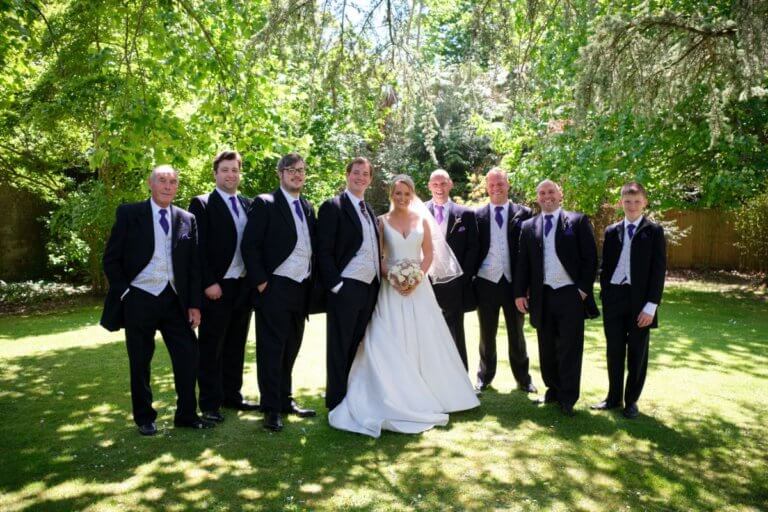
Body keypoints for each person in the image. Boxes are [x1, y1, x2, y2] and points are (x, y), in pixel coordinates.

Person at [328, 175, 479, 437]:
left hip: (419, 289)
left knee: (426, 338)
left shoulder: (422, 220)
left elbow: (429, 254)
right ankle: (396, 392)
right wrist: (395, 278)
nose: (402, 198)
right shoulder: (381, 222)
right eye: (397, 193)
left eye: (406, 193)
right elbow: (379, 257)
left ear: (413, 194)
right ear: (391, 194)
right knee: (391, 336)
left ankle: (435, 391)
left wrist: (417, 277)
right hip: (391, 289)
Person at [101, 165, 214, 435]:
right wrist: (125, 292)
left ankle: (187, 414)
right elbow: (111, 259)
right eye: (162, 180)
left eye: (172, 181)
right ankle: (144, 417)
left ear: (177, 187)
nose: (167, 186)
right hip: (139, 298)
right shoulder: (130, 214)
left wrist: (195, 304)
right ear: (150, 184)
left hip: (176, 300)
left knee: (188, 356)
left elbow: (194, 266)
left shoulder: (187, 218)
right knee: (140, 361)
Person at [241, 153, 317, 432]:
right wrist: (262, 283)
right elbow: (250, 246)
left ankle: (285, 400)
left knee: (291, 348)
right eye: (291, 170)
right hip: (274, 287)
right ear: (280, 174)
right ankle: (271, 409)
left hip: (301, 288)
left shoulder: (307, 206)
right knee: (272, 350)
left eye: (301, 170)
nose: (297, 174)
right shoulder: (265, 203)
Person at [514, 179, 599, 417]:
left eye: (551, 191)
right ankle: (552, 389)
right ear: (537, 197)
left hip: (570, 294)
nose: (547, 196)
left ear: (560, 195)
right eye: (542, 192)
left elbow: (590, 259)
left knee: (570, 347)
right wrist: (520, 292)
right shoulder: (528, 226)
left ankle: (568, 397)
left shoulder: (577, 221)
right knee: (546, 345)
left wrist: (582, 290)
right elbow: (523, 263)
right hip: (542, 295)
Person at [188, 150, 259, 423]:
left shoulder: (248, 204)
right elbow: (198, 249)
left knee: (236, 344)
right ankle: (209, 403)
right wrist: (208, 283)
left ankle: (232, 395)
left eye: (235, 169)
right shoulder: (202, 204)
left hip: (242, 287)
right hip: (217, 288)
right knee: (211, 347)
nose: (231, 174)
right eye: (225, 170)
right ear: (215, 174)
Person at [591, 182, 666, 419]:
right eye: (627, 201)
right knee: (614, 350)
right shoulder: (612, 231)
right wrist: (605, 292)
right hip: (614, 298)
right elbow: (606, 265)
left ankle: (631, 401)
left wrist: (651, 306)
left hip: (640, 301)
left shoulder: (653, 232)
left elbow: (658, 270)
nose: (632, 205)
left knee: (637, 351)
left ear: (644, 202)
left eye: (636, 201)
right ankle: (613, 397)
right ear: (620, 203)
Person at [317, 157, 381, 411]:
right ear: (347, 174)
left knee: (357, 346)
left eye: (365, 174)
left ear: (370, 179)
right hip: (346, 287)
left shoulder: (369, 210)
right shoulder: (333, 206)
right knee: (339, 347)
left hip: (369, 288)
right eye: (356, 173)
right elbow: (323, 251)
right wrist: (337, 286)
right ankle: (336, 401)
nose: (361, 177)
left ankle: (352, 397)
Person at [474, 167, 536, 393]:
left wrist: (527, 285)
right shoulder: (477, 215)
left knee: (517, 333)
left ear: (508, 184)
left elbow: (530, 253)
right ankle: (484, 376)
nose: (496, 188)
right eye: (492, 184)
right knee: (486, 333)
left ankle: (523, 378)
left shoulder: (525, 213)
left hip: (514, 284)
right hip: (486, 282)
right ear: (487, 187)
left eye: (500, 183)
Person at [425, 169, 479, 369]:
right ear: (429, 186)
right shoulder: (419, 211)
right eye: (435, 184)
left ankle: (460, 375)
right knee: (428, 329)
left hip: (455, 283)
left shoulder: (465, 214)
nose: (439, 188)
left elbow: (474, 248)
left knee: (455, 329)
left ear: (451, 185)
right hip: (427, 282)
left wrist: (463, 278)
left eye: (443, 183)